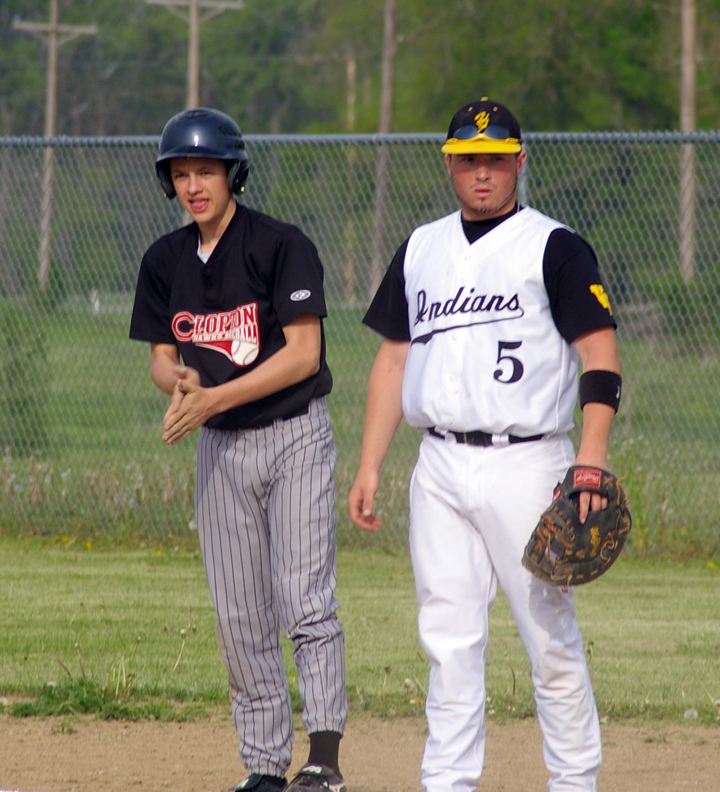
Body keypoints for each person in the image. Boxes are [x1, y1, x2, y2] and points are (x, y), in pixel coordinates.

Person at [348, 98, 622, 792]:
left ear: (519, 162)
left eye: (496, 159)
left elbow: (600, 353)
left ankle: (574, 782)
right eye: (468, 159)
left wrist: (590, 456)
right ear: (448, 164)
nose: (482, 172)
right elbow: (391, 360)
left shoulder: (553, 245)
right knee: (448, 636)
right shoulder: (421, 247)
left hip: (527, 461)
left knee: (548, 635)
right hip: (437, 463)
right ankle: (447, 782)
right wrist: (371, 465)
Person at [129, 107, 347, 792]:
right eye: (182, 172)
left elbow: (304, 355)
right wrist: (183, 382)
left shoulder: (280, 245)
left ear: (234, 174)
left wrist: (212, 399)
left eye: (207, 170)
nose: (195, 184)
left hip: (294, 436)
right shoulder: (164, 260)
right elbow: (164, 359)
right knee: (240, 612)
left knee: (304, 600)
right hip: (221, 450)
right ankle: (263, 765)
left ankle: (324, 760)